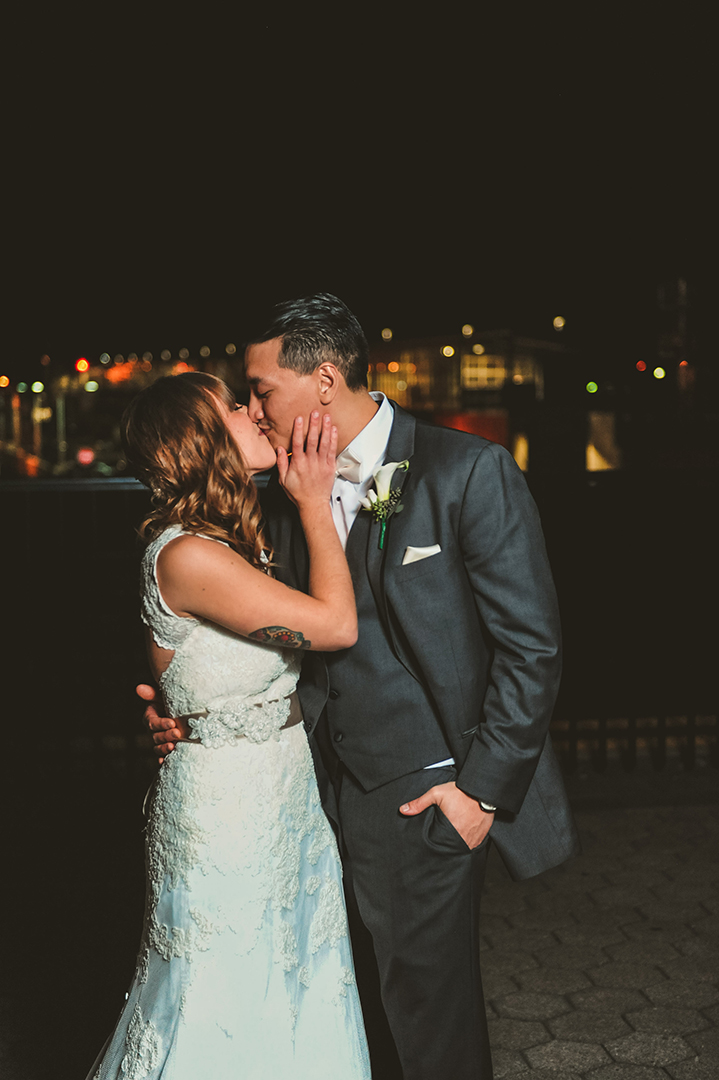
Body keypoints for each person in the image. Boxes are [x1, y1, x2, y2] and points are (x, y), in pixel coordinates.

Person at [146, 295, 581, 1080]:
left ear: (321, 381)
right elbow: (228, 628)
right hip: (301, 800)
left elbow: (532, 648)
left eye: (260, 390)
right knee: (342, 1012)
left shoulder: (467, 471)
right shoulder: (272, 497)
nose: (250, 407)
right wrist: (187, 713)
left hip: (424, 799)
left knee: (426, 1016)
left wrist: (479, 794)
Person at [88, 372, 371, 1080]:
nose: (253, 412)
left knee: (297, 987)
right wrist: (311, 503)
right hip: (226, 819)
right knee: (223, 1004)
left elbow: (192, 669)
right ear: (201, 439)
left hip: (281, 796)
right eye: (234, 406)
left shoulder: (222, 541)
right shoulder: (188, 554)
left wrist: (171, 707)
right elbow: (334, 627)